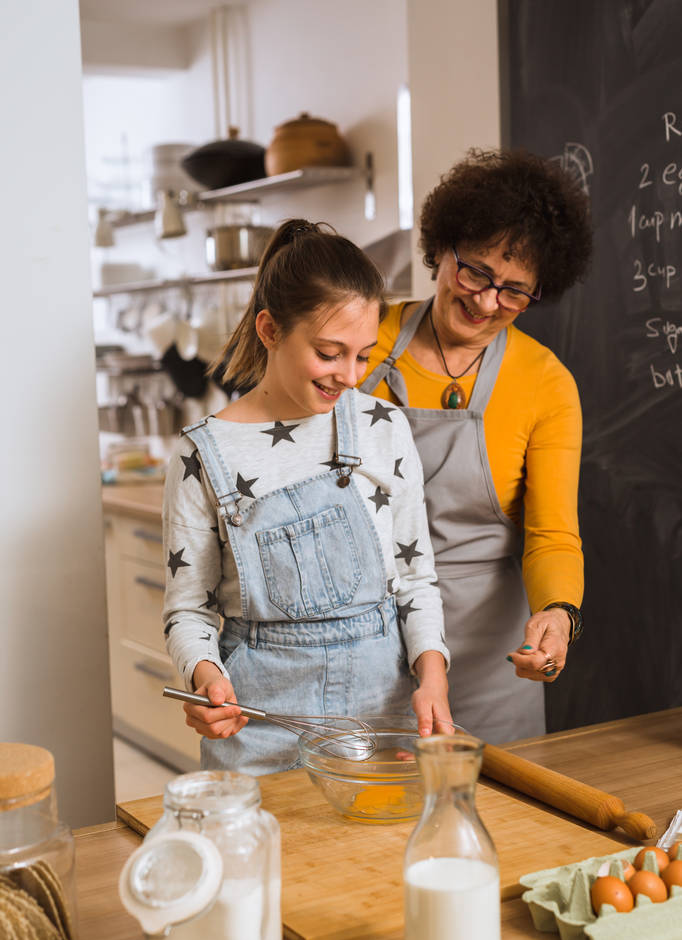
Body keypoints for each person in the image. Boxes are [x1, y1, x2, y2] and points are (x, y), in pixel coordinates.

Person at [162, 219, 451, 774]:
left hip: (382, 719)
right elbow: (187, 608)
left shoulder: (382, 428)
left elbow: (415, 578)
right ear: (270, 330)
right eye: (329, 352)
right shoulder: (203, 454)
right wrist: (205, 677)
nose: (349, 375)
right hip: (259, 727)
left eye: (363, 355)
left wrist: (433, 677)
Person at [360, 148, 592, 744]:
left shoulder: (545, 382)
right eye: (476, 273)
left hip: (487, 660)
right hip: (357, 638)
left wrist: (557, 613)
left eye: (515, 292)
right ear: (443, 250)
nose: (489, 302)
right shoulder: (360, 337)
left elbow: (552, 534)